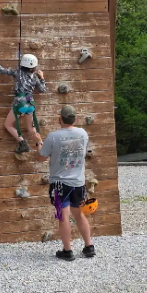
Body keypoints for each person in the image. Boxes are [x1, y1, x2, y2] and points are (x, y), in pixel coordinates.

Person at [34, 105, 96, 261]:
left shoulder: (53, 137)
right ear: (74, 118)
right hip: (78, 183)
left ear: (59, 118)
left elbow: (41, 157)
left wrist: (38, 143)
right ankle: (89, 247)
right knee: (79, 214)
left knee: (64, 217)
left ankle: (67, 251)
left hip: (60, 184)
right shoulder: (83, 133)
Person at [0, 50, 46, 154]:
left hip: (20, 102)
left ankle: (23, 143)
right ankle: (40, 144)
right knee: (30, 128)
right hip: (30, 102)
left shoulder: (17, 72)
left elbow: (2, 70)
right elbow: (42, 89)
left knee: (8, 125)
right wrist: (42, 77)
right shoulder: (35, 77)